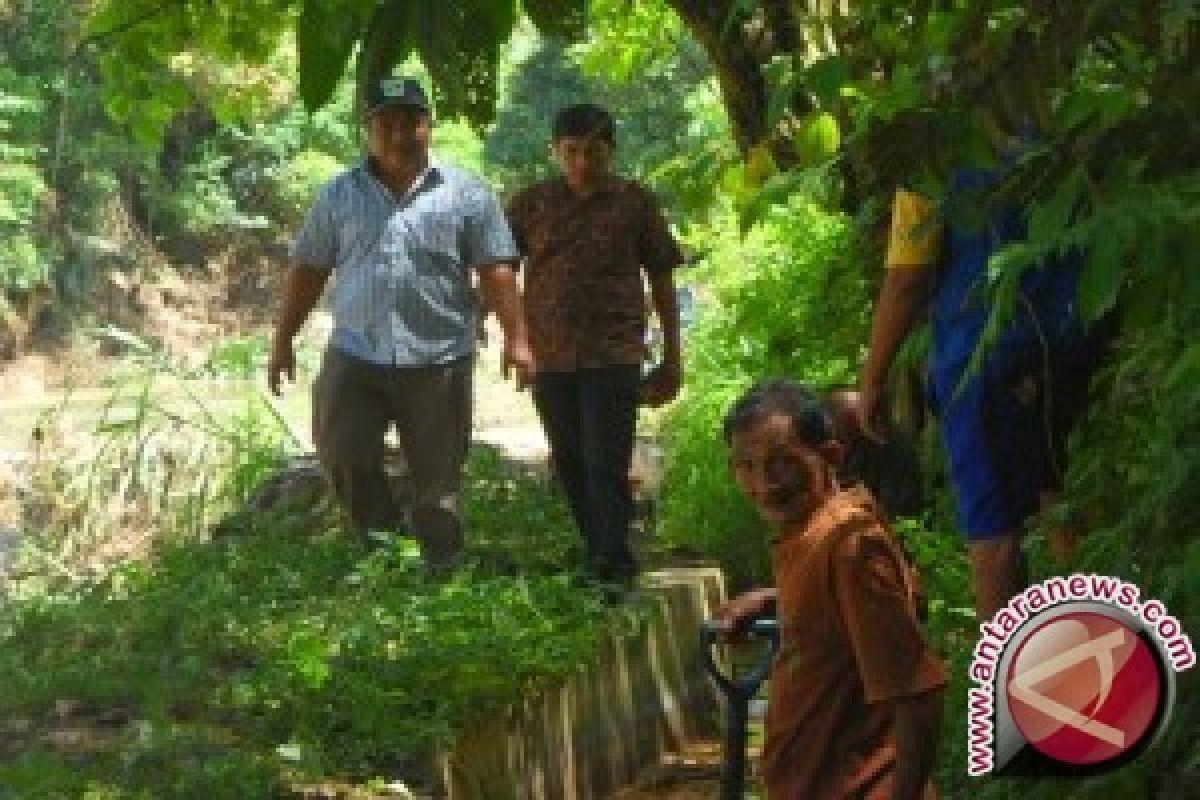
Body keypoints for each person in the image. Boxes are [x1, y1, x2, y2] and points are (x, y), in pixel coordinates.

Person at [267, 76, 533, 571]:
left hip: (438, 360)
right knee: (343, 454)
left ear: (427, 127)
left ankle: (441, 572)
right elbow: (308, 270)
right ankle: (382, 551)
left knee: (438, 482)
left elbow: (496, 267)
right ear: (369, 130)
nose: (398, 134)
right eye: (385, 124)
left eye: (409, 122)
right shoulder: (338, 196)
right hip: (355, 352)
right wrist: (283, 340)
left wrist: (517, 339)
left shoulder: (466, 194)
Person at [717, 379, 946, 800]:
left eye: (782, 462)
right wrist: (774, 600)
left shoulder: (850, 548)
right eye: (746, 467)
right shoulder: (811, 538)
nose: (764, 484)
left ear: (831, 457)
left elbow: (918, 696)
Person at [506, 103, 684, 586]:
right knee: (569, 458)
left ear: (611, 151)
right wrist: (514, 340)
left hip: (615, 351)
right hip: (551, 355)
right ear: (555, 151)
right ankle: (597, 550)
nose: (583, 162)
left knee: (606, 457)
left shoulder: (635, 203)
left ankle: (612, 560)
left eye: (594, 151)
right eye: (573, 151)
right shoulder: (530, 204)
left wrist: (672, 355)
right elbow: (500, 271)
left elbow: (662, 276)